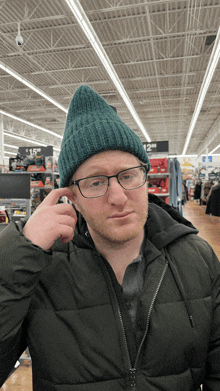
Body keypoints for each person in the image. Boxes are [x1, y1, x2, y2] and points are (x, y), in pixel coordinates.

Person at [0, 85, 220, 391]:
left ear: (146, 179)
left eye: (128, 175)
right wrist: (18, 255)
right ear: (71, 196)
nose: (118, 197)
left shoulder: (197, 258)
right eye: (95, 182)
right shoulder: (39, 268)